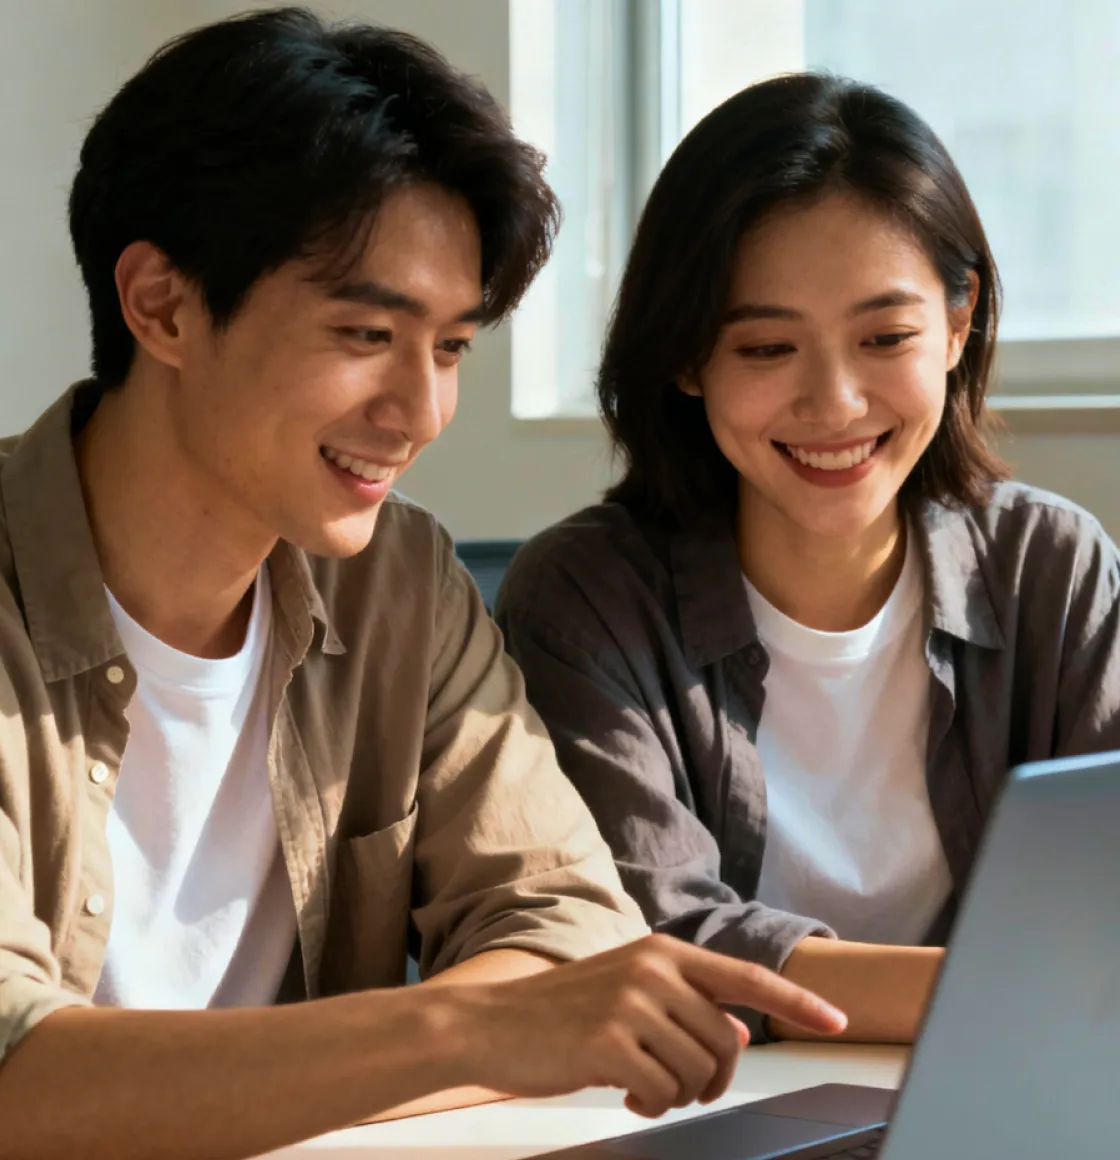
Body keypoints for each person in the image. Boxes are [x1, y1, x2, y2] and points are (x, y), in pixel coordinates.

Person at [0, 14, 848, 1159]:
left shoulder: (398, 583)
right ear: (161, 304)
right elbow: (14, 1077)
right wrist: (463, 1028)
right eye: (365, 332)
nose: (420, 412)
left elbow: (568, 922)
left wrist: (440, 1041)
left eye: (449, 347)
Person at [498, 72, 1120, 1047]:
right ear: (687, 358)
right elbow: (642, 939)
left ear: (957, 327)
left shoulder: (1054, 567)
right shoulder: (585, 600)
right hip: (704, 1109)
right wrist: (1012, 995)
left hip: (1008, 1090)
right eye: (765, 348)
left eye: (886, 337)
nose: (834, 403)